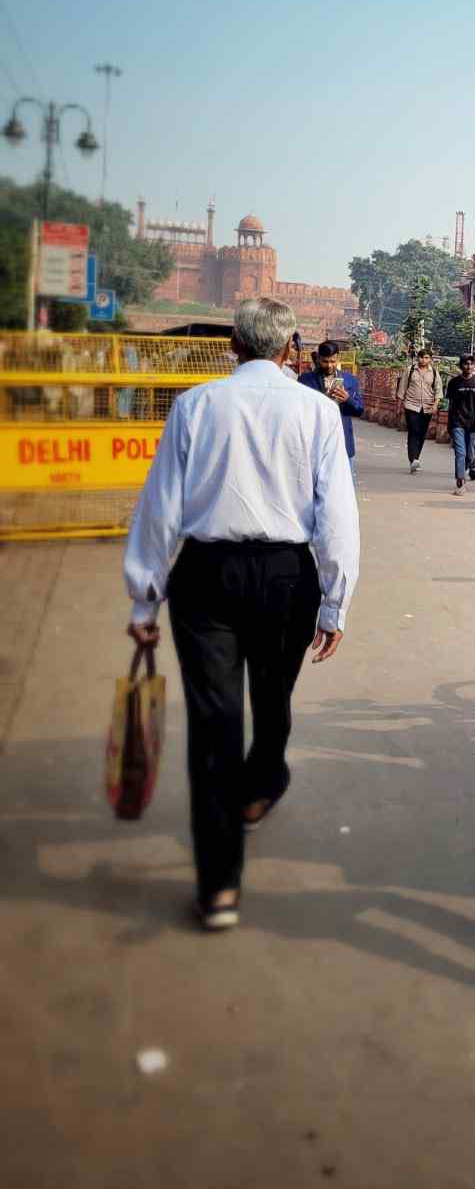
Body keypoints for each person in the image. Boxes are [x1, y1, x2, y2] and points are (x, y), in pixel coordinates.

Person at [122, 297, 359, 931]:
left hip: (206, 575)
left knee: (215, 721)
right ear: (289, 351)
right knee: (273, 692)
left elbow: (160, 507)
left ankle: (220, 884)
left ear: (234, 346)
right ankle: (261, 782)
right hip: (288, 575)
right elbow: (336, 513)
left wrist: (145, 597)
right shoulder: (317, 411)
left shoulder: (196, 406)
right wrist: (335, 602)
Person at [299, 342, 364, 474]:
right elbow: (298, 411)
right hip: (315, 445)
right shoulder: (305, 380)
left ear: (338, 358)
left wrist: (348, 400)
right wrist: (323, 399)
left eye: (333, 361)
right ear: (318, 358)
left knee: (344, 492)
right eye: (325, 361)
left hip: (343, 446)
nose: (329, 365)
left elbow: (359, 410)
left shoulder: (350, 380)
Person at [446, 354, 475, 493]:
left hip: (473, 423)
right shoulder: (454, 382)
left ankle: (465, 468)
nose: (469, 366)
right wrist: (449, 423)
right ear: (461, 366)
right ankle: (460, 480)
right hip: (457, 422)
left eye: (471, 364)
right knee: (460, 452)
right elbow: (451, 404)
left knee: (471, 456)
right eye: (466, 364)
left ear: (474, 365)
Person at [398, 347, 442, 473]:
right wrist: (399, 405)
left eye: (427, 357)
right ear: (418, 358)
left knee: (422, 433)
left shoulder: (433, 372)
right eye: (422, 357)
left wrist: (435, 405)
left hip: (427, 407)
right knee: (414, 431)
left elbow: (438, 390)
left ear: (430, 359)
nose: (423, 360)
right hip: (411, 405)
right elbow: (402, 387)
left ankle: (416, 457)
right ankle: (413, 459)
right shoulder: (410, 370)